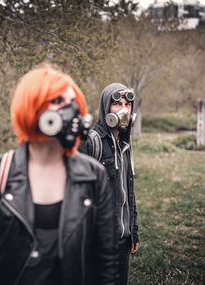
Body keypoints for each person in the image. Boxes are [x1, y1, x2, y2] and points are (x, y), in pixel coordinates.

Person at [0, 64, 118, 285]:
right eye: (57, 101)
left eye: (72, 102)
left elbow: (107, 260)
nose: (70, 110)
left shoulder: (94, 176)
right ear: (32, 107)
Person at [78, 83, 139, 285]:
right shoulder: (90, 142)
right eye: (117, 104)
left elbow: (129, 190)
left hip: (123, 240)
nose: (123, 110)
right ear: (106, 108)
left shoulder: (126, 144)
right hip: (98, 242)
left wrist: (133, 230)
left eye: (127, 105)